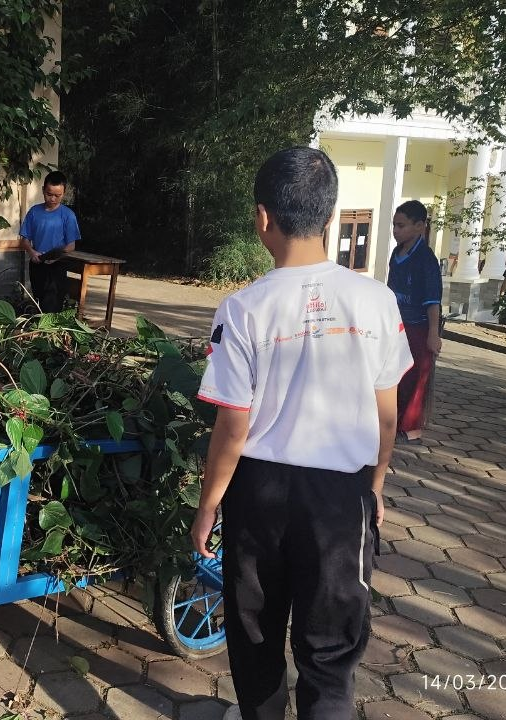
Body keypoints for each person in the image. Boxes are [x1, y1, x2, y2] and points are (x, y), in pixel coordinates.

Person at [189, 147, 412, 720]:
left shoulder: (244, 309)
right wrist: (376, 484)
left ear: (263, 217)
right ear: (331, 217)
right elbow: (386, 414)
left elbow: (232, 424)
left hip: (260, 497)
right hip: (340, 502)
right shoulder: (377, 301)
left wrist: (208, 503)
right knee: (331, 651)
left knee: (256, 636)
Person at [386, 199, 443, 444]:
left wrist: (433, 333)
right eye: (394, 226)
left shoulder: (426, 259)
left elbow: (433, 300)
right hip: (396, 324)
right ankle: (392, 419)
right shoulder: (396, 254)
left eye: (401, 226)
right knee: (394, 374)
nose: (396, 231)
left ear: (419, 226)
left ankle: (411, 426)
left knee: (416, 375)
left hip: (419, 326)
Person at [20, 170, 81, 313]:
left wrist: (56, 257)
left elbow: (71, 246)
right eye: (49, 194)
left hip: (57, 265)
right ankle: (42, 332)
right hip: (37, 263)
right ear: (43, 190)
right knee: (40, 301)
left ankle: (52, 333)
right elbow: (24, 239)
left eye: (57, 195)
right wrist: (31, 252)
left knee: (53, 304)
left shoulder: (68, 216)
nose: (53, 198)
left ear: (64, 193)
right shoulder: (34, 212)